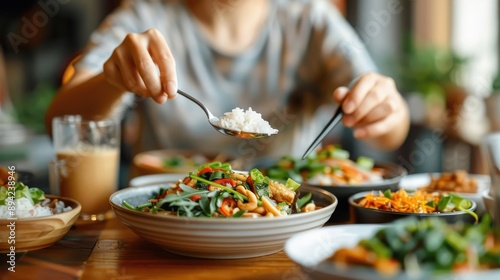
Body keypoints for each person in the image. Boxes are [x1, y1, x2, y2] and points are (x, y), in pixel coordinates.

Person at [45, 0, 410, 168]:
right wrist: (113, 81)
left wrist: (385, 111)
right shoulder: (143, 14)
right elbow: (57, 124)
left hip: (287, 224)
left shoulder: (311, 18)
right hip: (167, 225)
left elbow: (389, 132)